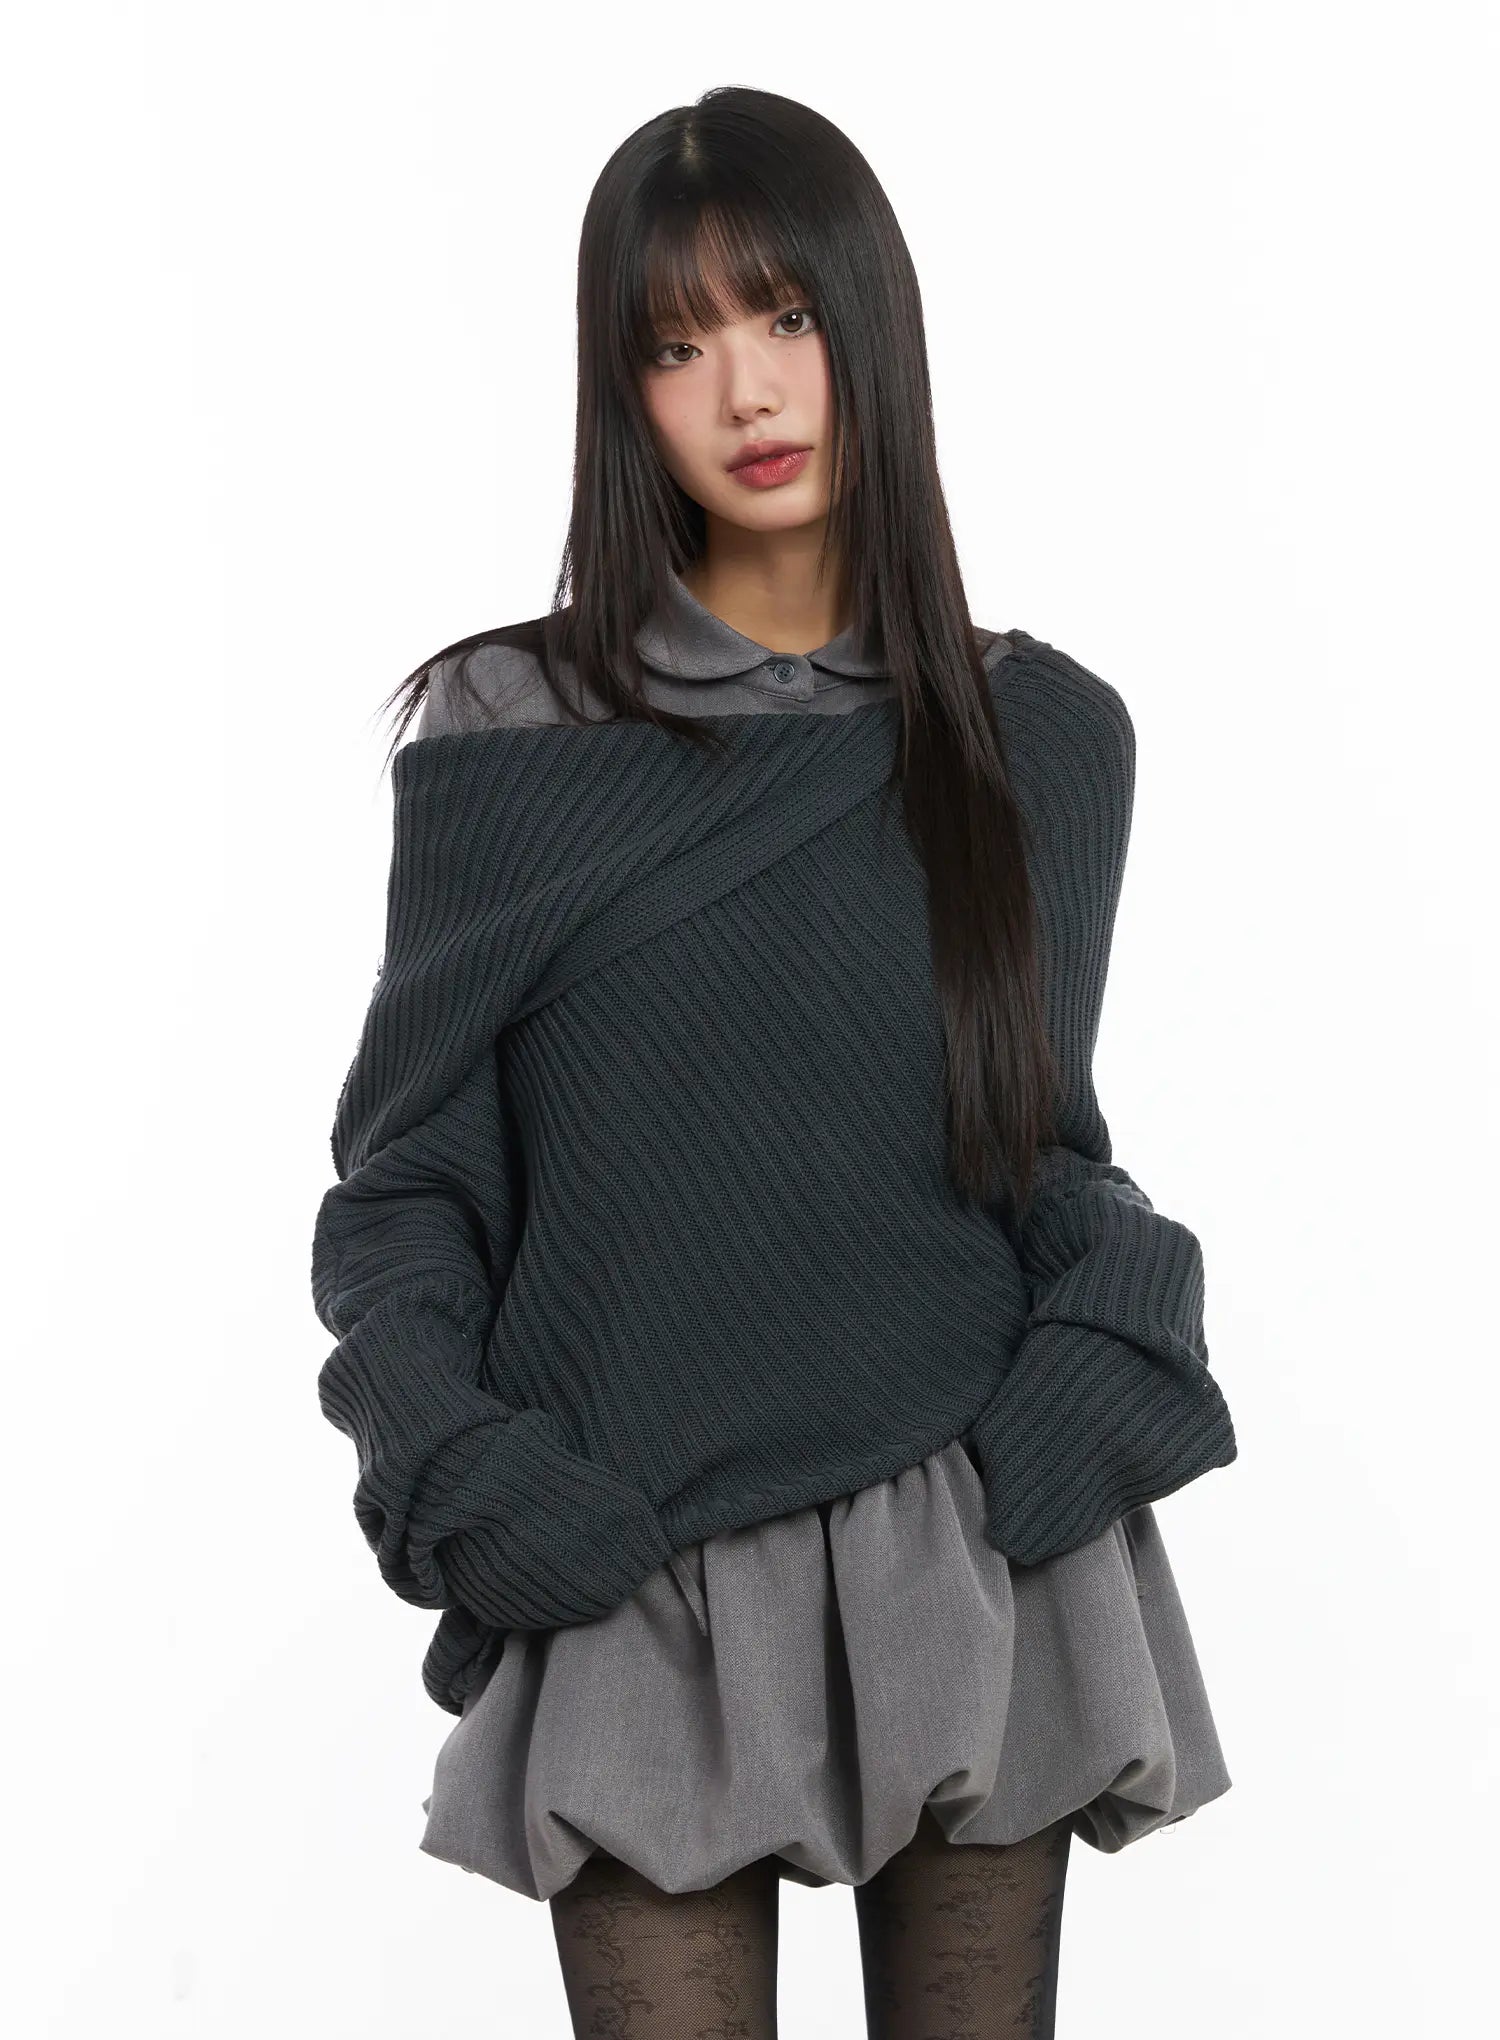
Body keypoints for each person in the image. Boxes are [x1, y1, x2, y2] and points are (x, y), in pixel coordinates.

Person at [310, 84, 1238, 2039]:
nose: (746, 389)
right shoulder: (506, 733)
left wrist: (1094, 1363)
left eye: (787, 316)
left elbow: (1036, 1145)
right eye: (677, 343)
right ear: (619, 392)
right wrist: (464, 1462)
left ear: (869, 323)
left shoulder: (1040, 737)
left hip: (963, 1543)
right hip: (632, 1560)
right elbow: (406, 1188)